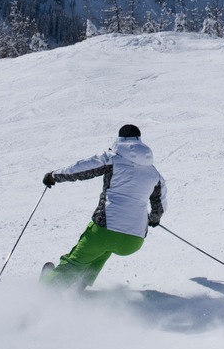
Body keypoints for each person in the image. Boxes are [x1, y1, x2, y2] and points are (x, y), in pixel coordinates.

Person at [40, 124, 167, 290]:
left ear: (120, 139)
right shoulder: (154, 173)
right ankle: (78, 287)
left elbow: (82, 169)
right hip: (134, 241)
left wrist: (53, 176)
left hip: (105, 230)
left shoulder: (114, 158)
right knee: (103, 251)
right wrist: (153, 219)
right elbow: (160, 203)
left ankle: (43, 294)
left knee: (76, 260)